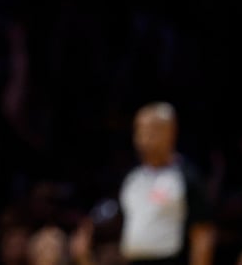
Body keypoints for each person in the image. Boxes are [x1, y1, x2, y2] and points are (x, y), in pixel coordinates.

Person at [79, 102, 215, 265]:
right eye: (139, 130)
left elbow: (203, 235)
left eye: (152, 130)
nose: (144, 138)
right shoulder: (132, 178)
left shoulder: (186, 176)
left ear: (171, 132)